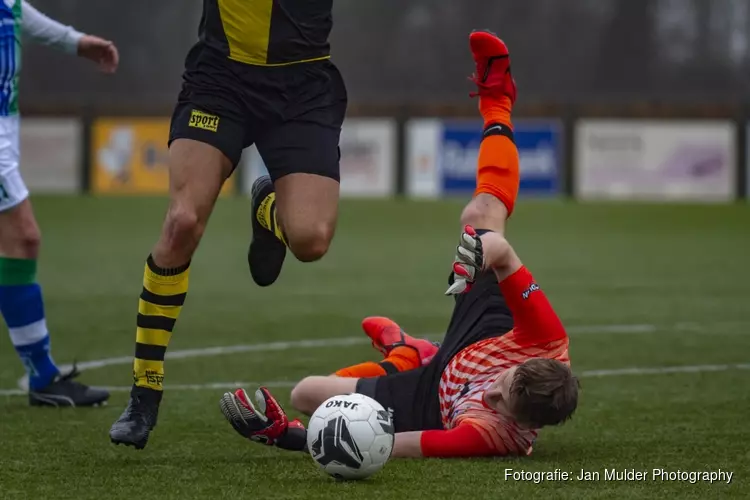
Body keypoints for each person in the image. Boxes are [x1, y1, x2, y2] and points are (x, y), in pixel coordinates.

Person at [218, 31, 580, 458]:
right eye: (504, 387)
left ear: (527, 425)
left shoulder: (492, 436)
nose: (491, 397)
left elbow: (390, 446)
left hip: (434, 400)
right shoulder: (544, 339)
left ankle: (408, 357)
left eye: (504, 407)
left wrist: (289, 436)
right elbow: (503, 253)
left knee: (307, 395)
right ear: (525, 362)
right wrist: (477, 252)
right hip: (489, 333)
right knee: (479, 218)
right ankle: (498, 99)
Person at [110, 0, 347, 449]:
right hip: (221, 78)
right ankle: (145, 390)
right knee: (182, 222)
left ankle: (266, 211)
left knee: (311, 239)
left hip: (303, 85)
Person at [0, 1, 118, 407]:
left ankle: (42, 376)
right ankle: (42, 376)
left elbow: (17, 13)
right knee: (24, 238)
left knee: (21, 242)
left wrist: (77, 42)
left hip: (6, 132)